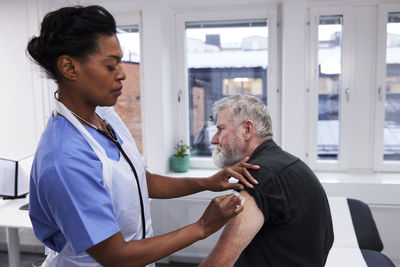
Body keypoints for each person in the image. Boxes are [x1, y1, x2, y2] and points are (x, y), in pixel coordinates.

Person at [26, 5, 259, 267]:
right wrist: (203, 226)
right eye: (110, 65)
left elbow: (139, 180)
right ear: (69, 67)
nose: (123, 74)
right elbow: (116, 255)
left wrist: (206, 183)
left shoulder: (104, 117)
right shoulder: (64, 160)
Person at [200, 95, 334, 267]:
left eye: (221, 129)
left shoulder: (258, 176)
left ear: (247, 129)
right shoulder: (292, 164)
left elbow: (220, 263)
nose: (214, 139)